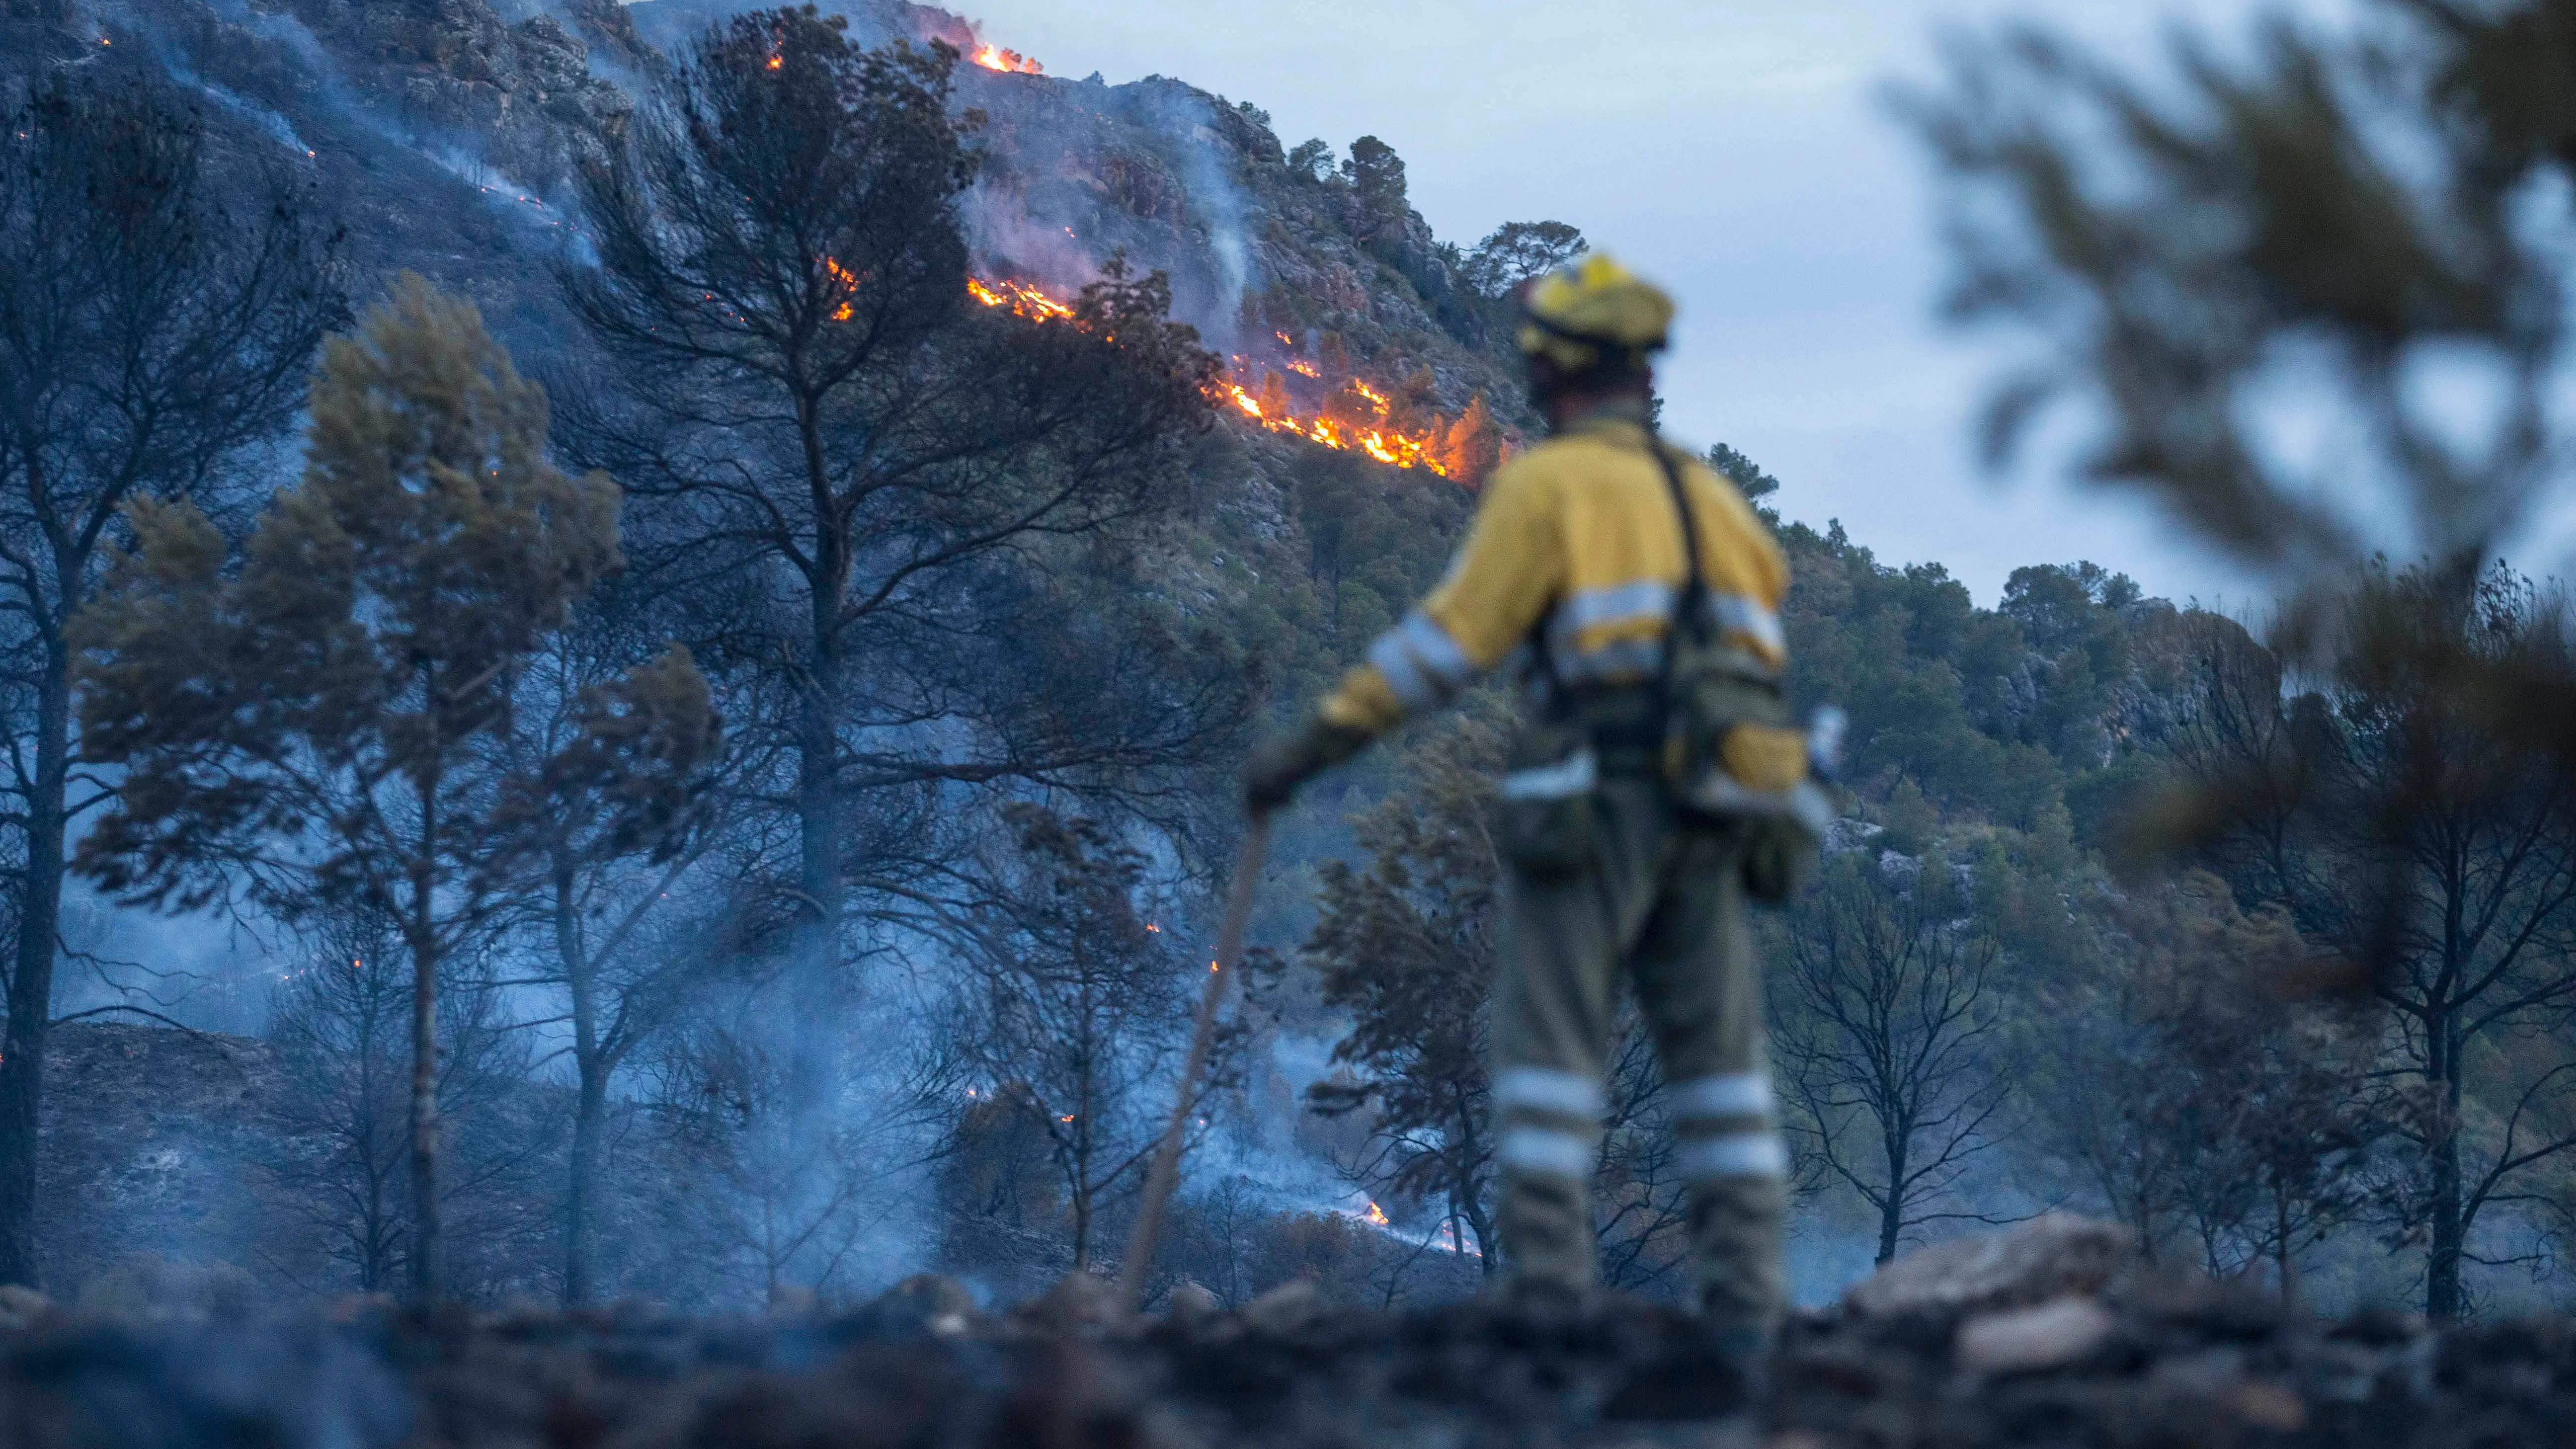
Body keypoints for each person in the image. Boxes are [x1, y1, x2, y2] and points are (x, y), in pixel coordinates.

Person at [1242, 254, 1822, 1372]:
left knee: (1550, 1069)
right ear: (1646, 374)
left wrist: (1309, 748)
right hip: (1713, 818)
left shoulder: (1547, 489)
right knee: (1724, 1080)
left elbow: (1443, 647)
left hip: (1593, 814)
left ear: (1553, 371)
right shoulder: (1718, 505)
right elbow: (1762, 668)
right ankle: (1748, 1327)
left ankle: (1553, 1329)